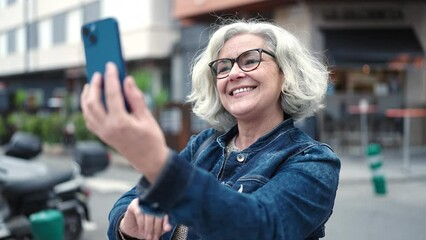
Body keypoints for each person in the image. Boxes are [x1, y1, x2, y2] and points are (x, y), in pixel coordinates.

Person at [80, 19, 340, 240]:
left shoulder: (313, 160)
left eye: (250, 60)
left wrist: (154, 160)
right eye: (223, 67)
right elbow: (128, 203)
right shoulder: (203, 145)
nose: (234, 74)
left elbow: (261, 226)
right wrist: (128, 226)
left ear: (286, 74)